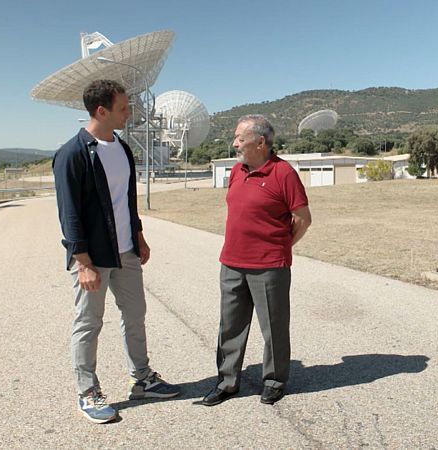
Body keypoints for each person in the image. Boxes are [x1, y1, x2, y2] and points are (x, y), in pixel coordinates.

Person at [53, 79, 180, 424]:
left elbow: (127, 199)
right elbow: (69, 214)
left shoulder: (122, 148)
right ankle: (87, 391)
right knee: (88, 322)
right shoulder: (72, 154)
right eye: (124, 108)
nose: (130, 113)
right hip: (93, 257)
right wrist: (83, 262)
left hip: (126, 251)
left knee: (135, 315)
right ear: (101, 111)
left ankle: (142, 379)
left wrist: (139, 236)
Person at [201, 115, 312, 407]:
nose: (235, 143)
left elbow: (302, 218)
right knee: (230, 327)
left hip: (269, 266)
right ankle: (226, 382)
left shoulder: (284, 173)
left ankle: (274, 381)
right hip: (232, 263)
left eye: (240, 138)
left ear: (260, 142)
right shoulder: (237, 171)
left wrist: (280, 246)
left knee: (273, 328)